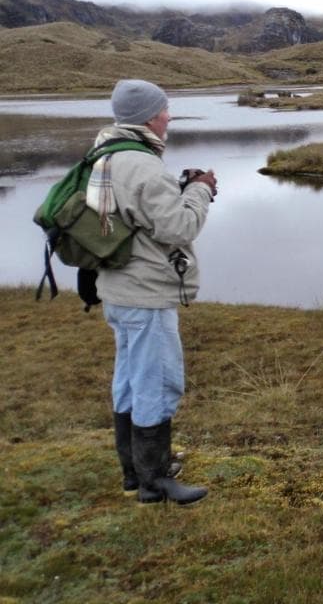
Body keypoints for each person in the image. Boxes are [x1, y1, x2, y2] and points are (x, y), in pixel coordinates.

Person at [93, 79, 218, 505]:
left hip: (117, 290)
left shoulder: (103, 156)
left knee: (128, 381)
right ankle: (156, 481)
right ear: (149, 116)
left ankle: (135, 471)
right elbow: (179, 227)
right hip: (145, 294)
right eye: (164, 111)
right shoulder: (143, 165)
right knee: (157, 383)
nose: (168, 118)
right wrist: (201, 190)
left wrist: (179, 192)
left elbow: (135, 219)